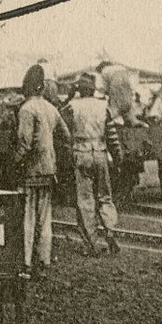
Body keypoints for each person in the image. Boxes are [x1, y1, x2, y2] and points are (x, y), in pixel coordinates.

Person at [16, 64, 69, 275]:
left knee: (27, 218)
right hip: (48, 169)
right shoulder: (51, 108)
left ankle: (26, 263)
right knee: (45, 219)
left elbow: (24, 143)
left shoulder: (26, 109)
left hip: (31, 170)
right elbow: (66, 135)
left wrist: (14, 163)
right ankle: (44, 261)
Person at [63, 72, 120, 255]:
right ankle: (110, 230)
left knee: (85, 199)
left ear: (79, 89)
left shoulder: (71, 107)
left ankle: (92, 242)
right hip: (101, 152)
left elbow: (64, 130)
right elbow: (112, 135)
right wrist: (117, 156)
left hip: (81, 152)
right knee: (105, 196)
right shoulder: (103, 106)